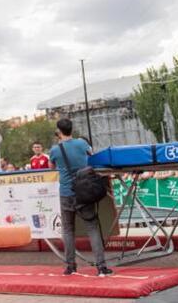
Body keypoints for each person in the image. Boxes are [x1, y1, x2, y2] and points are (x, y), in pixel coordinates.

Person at [50, 117, 112, 277]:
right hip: (84, 192)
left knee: (68, 230)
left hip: (66, 193)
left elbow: (52, 166)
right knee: (92, 227)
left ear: (59, 131)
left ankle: (70, 266)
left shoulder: (55, 150)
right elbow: (93, 155)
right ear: (72, 129)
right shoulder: (81, 144)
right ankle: (101, 266)